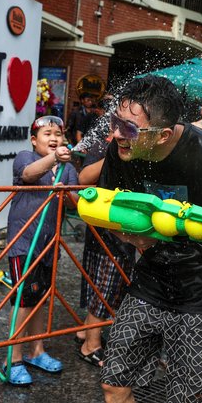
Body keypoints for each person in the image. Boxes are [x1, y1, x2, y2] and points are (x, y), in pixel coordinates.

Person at [97, 76, 202, 403]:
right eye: (115, 123)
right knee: (113, 383)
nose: (116, 135)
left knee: (188, 399)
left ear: (164, 134)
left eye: (128, 129)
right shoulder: (120, 150)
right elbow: (107, 207)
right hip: (151, 280)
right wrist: (127, 235)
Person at [5, 115, 79, 385]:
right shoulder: (25, 157)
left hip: (48, 243)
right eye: (47, 134)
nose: (54, 138)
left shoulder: (66, 166)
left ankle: (36, 351)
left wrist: (68, 193)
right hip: (23, 243)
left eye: (58, 133)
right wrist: (55, 159)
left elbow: (74, 202)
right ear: (34, 140)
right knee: (24, 301)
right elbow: (28, 174)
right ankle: (13, 359)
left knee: (40, 299)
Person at [76, 130, 135, 368]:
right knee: (103, 288)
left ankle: (86, 332)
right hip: (103, 231)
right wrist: (113, 153)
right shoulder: (104, 146)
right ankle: (90, 345)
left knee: (112, 287)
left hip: (124, 228)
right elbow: (83, 178)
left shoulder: (135, 150)